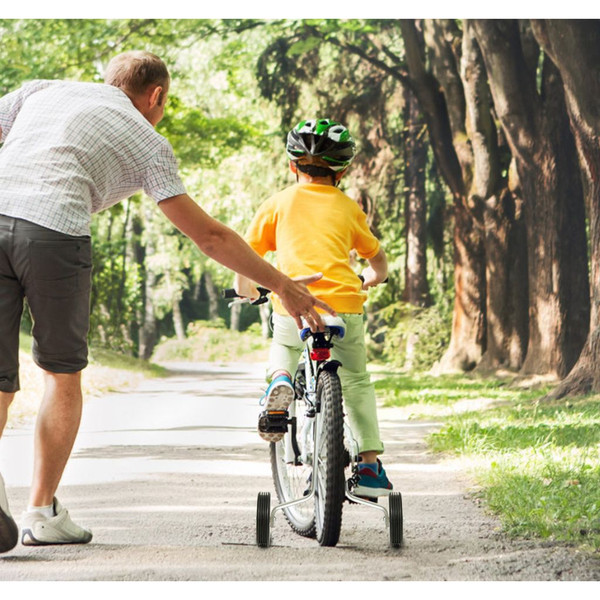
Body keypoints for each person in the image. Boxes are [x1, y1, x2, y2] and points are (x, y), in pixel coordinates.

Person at [0, 52, 334, 554]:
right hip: (54, 232)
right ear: (155, 96)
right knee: (60, 372)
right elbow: (210, 237)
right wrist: (283, 284)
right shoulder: (147, 139)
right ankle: (41, 512)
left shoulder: (40, 88)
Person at [235, 118, 393, 499]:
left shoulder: (277, 204)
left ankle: (280, 381)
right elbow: (377, 259)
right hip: (343, 309)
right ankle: (369, 466)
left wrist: (247, 291)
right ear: (342, 170)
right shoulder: (349, 208)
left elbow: (246, 256)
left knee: (285, 346)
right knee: (355, 380)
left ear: (292, 165)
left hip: (293, 304)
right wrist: (373, 278)